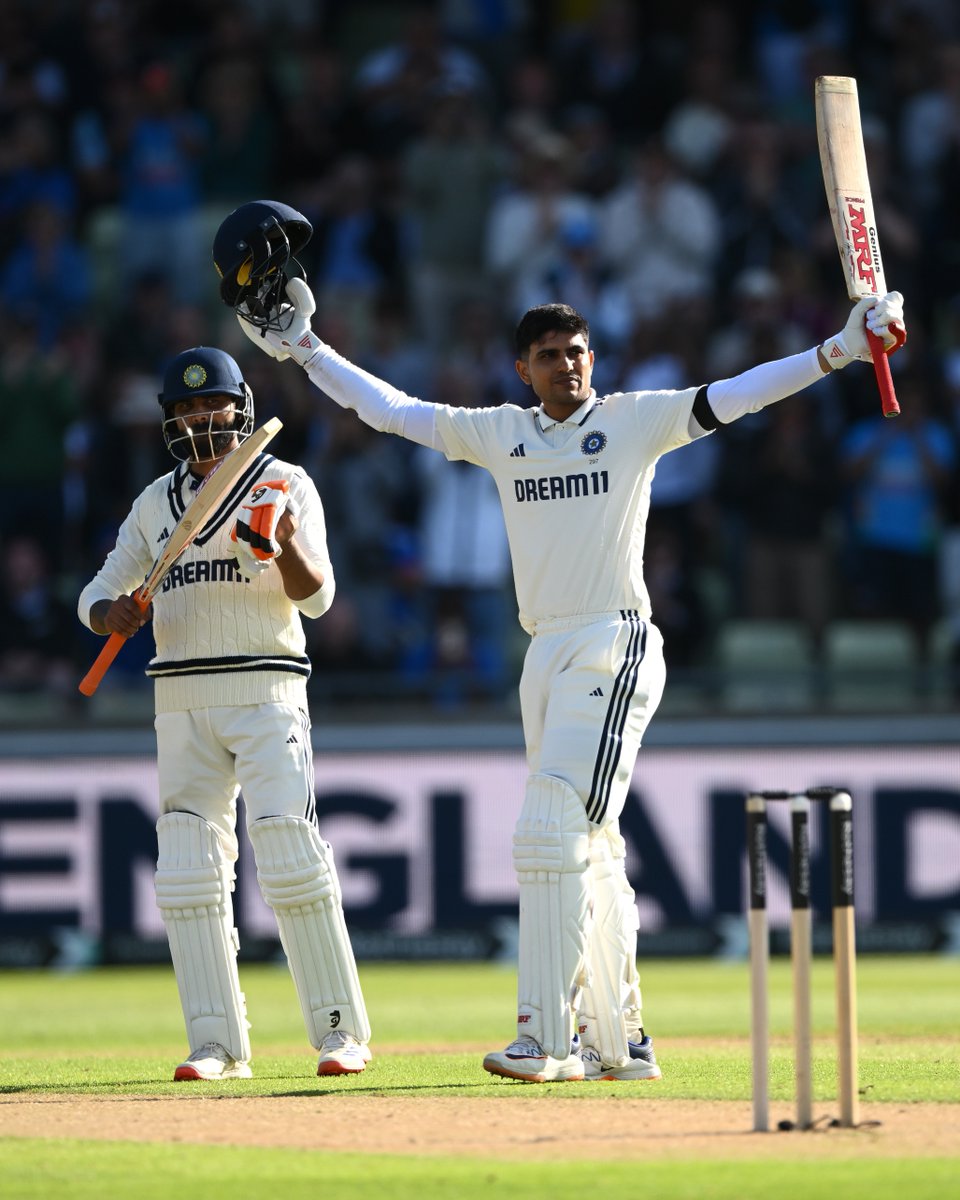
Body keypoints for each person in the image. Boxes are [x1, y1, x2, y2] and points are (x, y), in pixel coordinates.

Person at [224, 199, 906, 1084]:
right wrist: (308, 350)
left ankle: (544, 1040)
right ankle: (619, 1040)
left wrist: (839, 349)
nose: (567, 364)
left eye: (578, 351)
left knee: (550, 824)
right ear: (523, 369)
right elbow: (391, 411)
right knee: (595, 844)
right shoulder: (501, 434)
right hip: (543, 654)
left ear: (594, 358)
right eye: (549, 355)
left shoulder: (633, 421)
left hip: (613, 643)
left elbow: (738, 394)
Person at [77, 346, 371, 1082]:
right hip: (180, 700)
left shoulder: (283, 483)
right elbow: (97, 593)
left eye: (213, 405)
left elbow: (318, 599)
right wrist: (112, 614)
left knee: (290, 853)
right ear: (169, 420)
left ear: (241, 409)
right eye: (186, 409)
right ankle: (216, 1043)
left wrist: (283, 546)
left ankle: (340, 1033)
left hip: (267, 690)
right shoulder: (155, 504)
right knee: (187, 870)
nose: (201, 418)